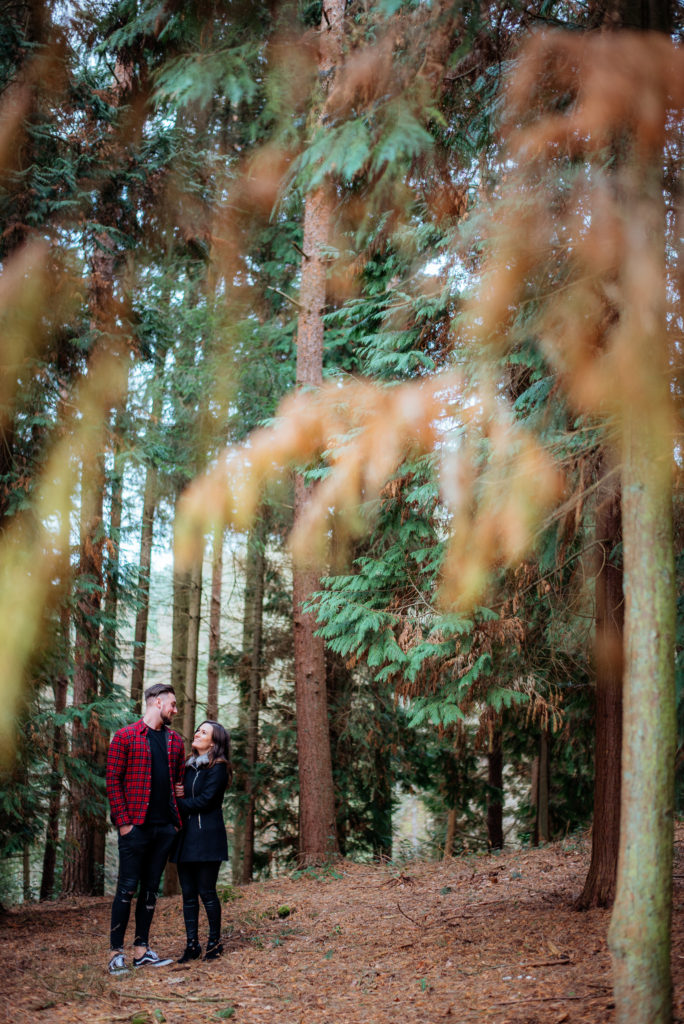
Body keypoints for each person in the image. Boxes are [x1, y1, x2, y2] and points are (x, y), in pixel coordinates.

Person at [105, 682, 186, 976]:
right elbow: (113, 781)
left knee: (150, 890)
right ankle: (116, 954)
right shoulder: (125, 737)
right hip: (134, 828)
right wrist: (124, 823)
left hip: (164, 829)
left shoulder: (175, 741)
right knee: (126, 889)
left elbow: (177, 783)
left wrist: (175, 823)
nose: (175, 710)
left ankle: (141, 951)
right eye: (172, 704)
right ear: (156, 703)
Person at [172, 720, 232, 963]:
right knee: (188, 894)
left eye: (204, 732)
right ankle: (191, 945)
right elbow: (179, 791)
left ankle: (214, 944)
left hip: (207, 838)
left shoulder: (218, 767)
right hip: (185, 837)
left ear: (214, 742)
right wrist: (179, 799)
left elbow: (206, 801)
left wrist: (177, 803)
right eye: (197, 729)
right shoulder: (186, 766)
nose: (197, 733)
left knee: (206, 892)